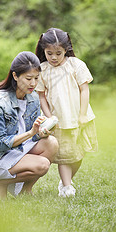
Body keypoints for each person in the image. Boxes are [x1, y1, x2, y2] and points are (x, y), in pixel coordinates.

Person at [0, 51, 58, 199]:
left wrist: (41, 132)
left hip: (18, 149)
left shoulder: (33, 98)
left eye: (36, 78)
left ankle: (24, 191)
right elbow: (0, 145)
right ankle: (0, 183)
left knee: (52, 143)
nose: (33, 83)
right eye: (28, 78)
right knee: (42, 165)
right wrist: (31, 133)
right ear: (15, 76)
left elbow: (32, 137)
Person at [35, 28, 98, 198]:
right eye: (49, 53)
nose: (54, 57)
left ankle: (66, 180)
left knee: (78, 154)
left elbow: (84, 90)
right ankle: (67, 186)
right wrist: (49, 117)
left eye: (58, 53)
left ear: (66, 49)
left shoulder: (76, 65)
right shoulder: (42, 70)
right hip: (59, 119)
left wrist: (82, 114)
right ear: (43, 51)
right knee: (65, 156)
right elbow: (41, 96)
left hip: (78, 118)